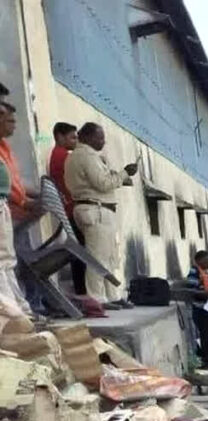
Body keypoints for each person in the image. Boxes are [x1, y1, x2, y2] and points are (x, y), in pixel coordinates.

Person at [64, 122, 137, 310]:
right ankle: (96, 299)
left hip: (95, 209)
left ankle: (112, 296)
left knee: (109, 256)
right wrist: (124, 173)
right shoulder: (86, 156)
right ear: (87, 137)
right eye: (100, 137)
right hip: (96, 210)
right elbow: (103, 183)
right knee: (98, 258)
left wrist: (119, 177)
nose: (103, 141)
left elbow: (99, 180)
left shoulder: (79, 156)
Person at [0, 103, 32, 314]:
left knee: (8, 259)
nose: (13, 125)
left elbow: (14, 181)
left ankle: (20, 309)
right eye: (9, 120)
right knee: (2, 259)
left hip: (4, 205)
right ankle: (11, 312)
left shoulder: (4, 146)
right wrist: (23, 202)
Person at [48, 122, 86, 295]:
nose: (75, 141)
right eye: (72, 137)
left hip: (67, 207)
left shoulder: (58, 155)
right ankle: (82, 289)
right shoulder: (63, 156)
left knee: (79, 249)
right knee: (82, 251)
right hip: (72, 207)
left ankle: (81, 288)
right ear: (59, 137)